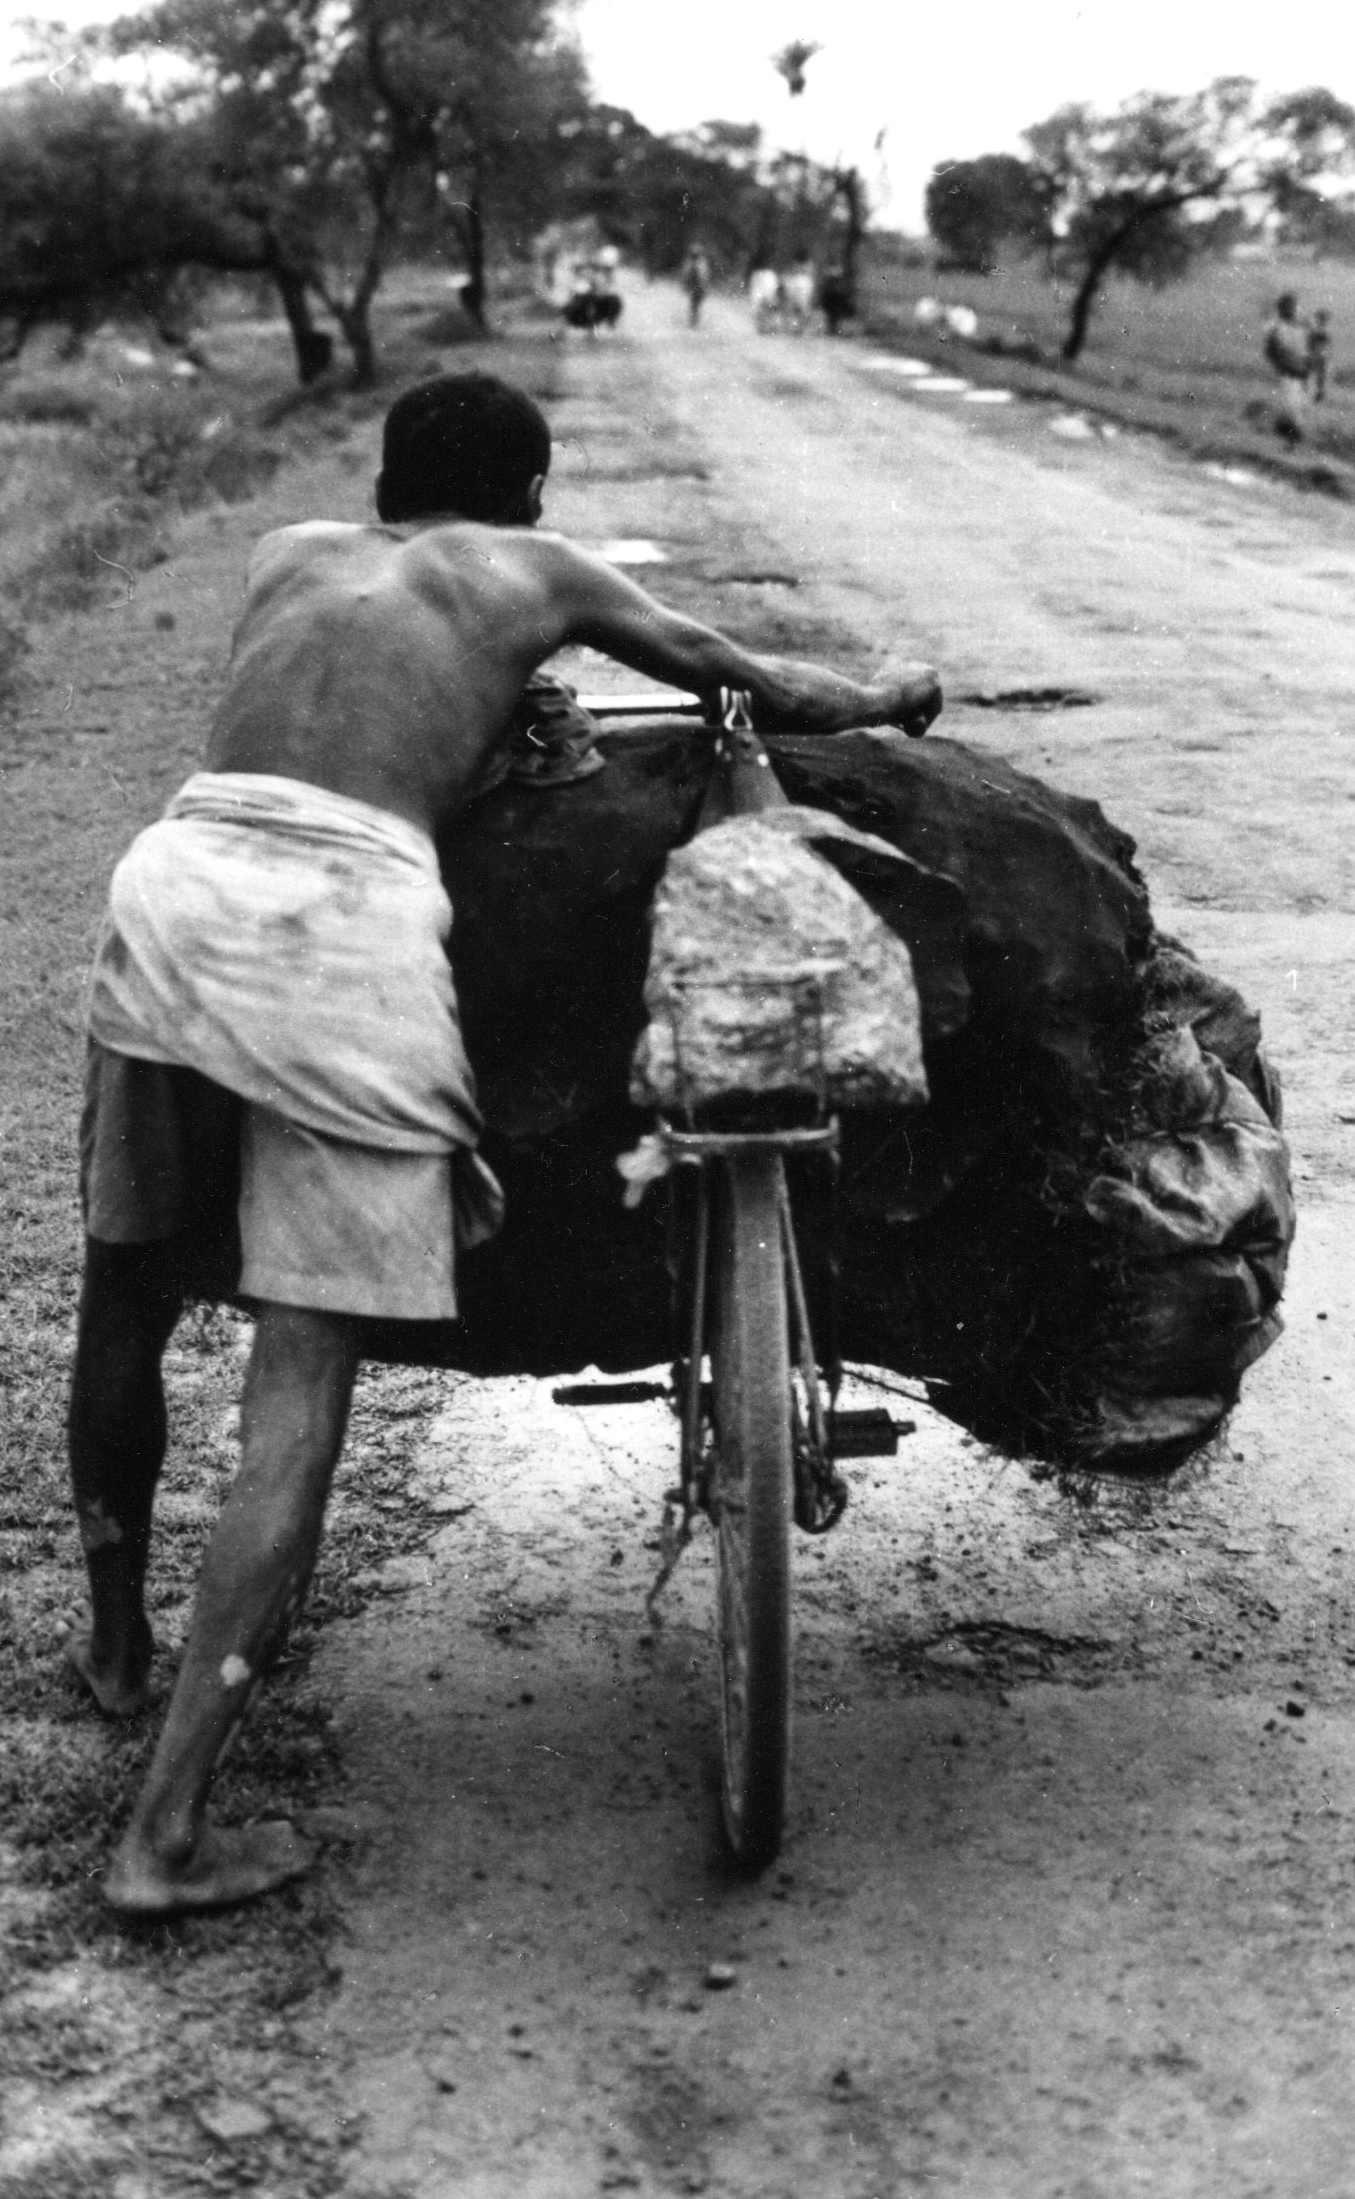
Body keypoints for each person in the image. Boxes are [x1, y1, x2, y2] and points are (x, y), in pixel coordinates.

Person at [67, 370, 943, 1916]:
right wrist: (883, 692)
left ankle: (117, 1643)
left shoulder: (286, 549)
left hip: (177, 876)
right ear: (530, 493)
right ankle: (162, 1837)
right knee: (299, 1385)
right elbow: (736, 673)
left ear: (383, 480)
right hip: (344, 926)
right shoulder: (537, 571)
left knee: (123, 1286)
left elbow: (347, 715)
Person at [1263, 292, 1310, 441]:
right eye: (1290, 307)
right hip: (1289, 370)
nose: (1294, 310)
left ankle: (1289, 431)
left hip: (1300, 370)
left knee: (1297, 403)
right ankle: (1293, 435)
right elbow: (1271, 351)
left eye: (1294, 307)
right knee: (1291, 404)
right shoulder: (1278, 328)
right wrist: (1281, 363)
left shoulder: (1301, 326)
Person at [1306, 307, 1332, 405]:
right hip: (1317, 354)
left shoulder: (1317, 329)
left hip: (1316, 354)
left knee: (1317, 376)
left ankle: (1317, 394)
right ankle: (1317, 394)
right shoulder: (1320, 330)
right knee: (1318, 376)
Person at [682, 243, 711, 328]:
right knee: (695, 304)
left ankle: (694, 320)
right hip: (697, 287)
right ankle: (694, 320)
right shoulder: (699, 264)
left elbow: (703, 277)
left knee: (694, 304)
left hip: (697, 287)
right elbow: (704, 277)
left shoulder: (695, 264)